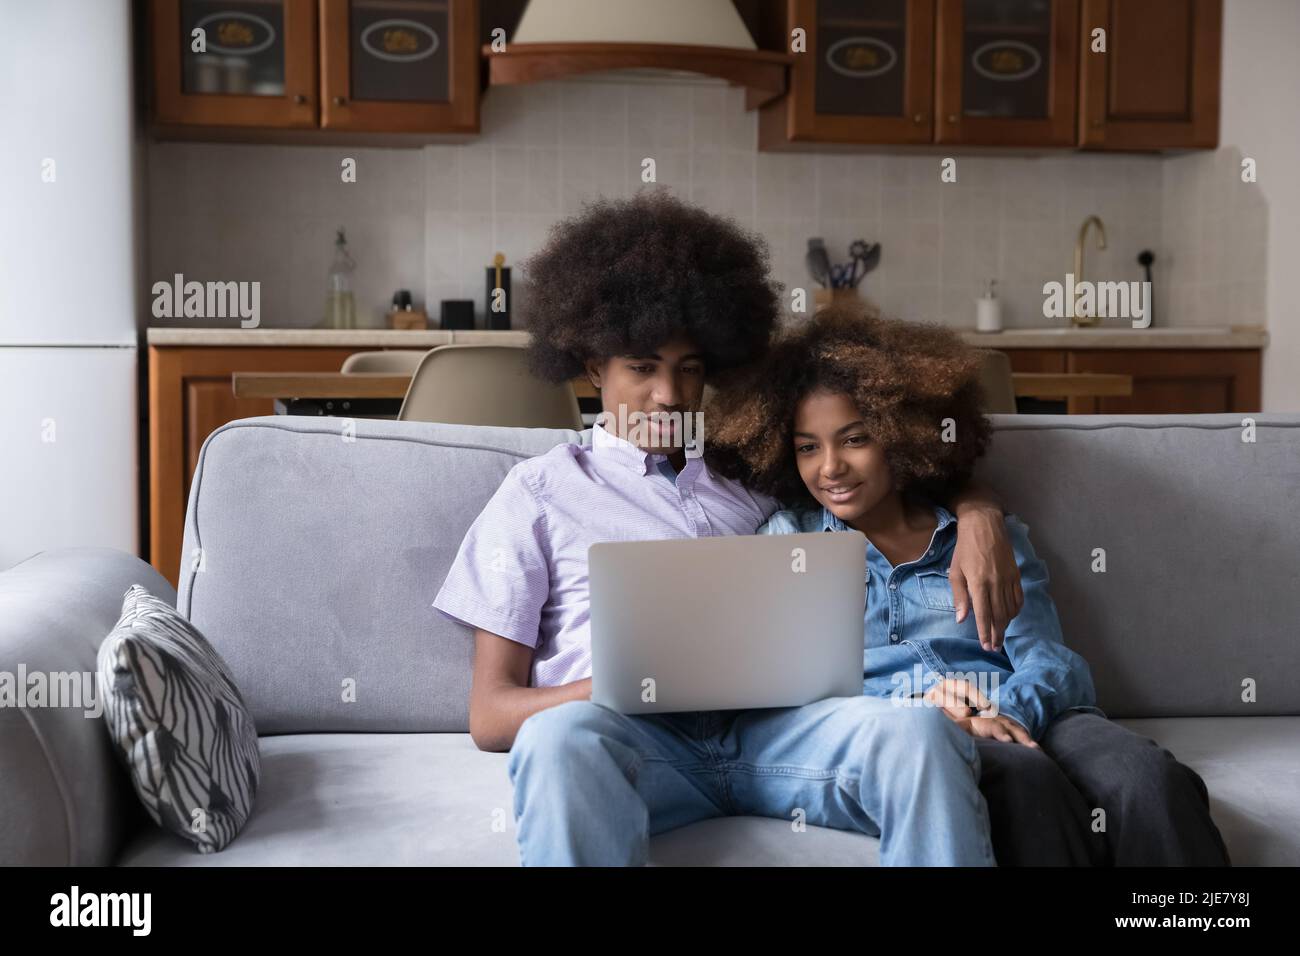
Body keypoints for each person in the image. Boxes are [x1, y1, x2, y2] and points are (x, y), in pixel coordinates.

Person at [432, 190, 1023, 866]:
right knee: (557, 740)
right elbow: (491, 715)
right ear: (593, 367)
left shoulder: (752, 468)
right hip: (636, 746)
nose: (670, 394)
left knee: (918, 734)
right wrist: (631, 681)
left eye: (689, 370)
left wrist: (980, 512)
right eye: (642, 368)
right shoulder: (537, 495)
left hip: (777, 737)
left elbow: (898, 476)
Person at [704, 302, 1232, 866]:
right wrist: (931, 712)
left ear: (898, 434)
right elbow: (793, 688)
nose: (830, 467)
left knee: (1150, 780)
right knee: (1025, 783)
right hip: (908, 728)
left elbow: (1053, 661)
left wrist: (1007, 715)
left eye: (854, 439)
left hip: (1030, 711)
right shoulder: (788, 541)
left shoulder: (982, 536)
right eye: (808, 446)